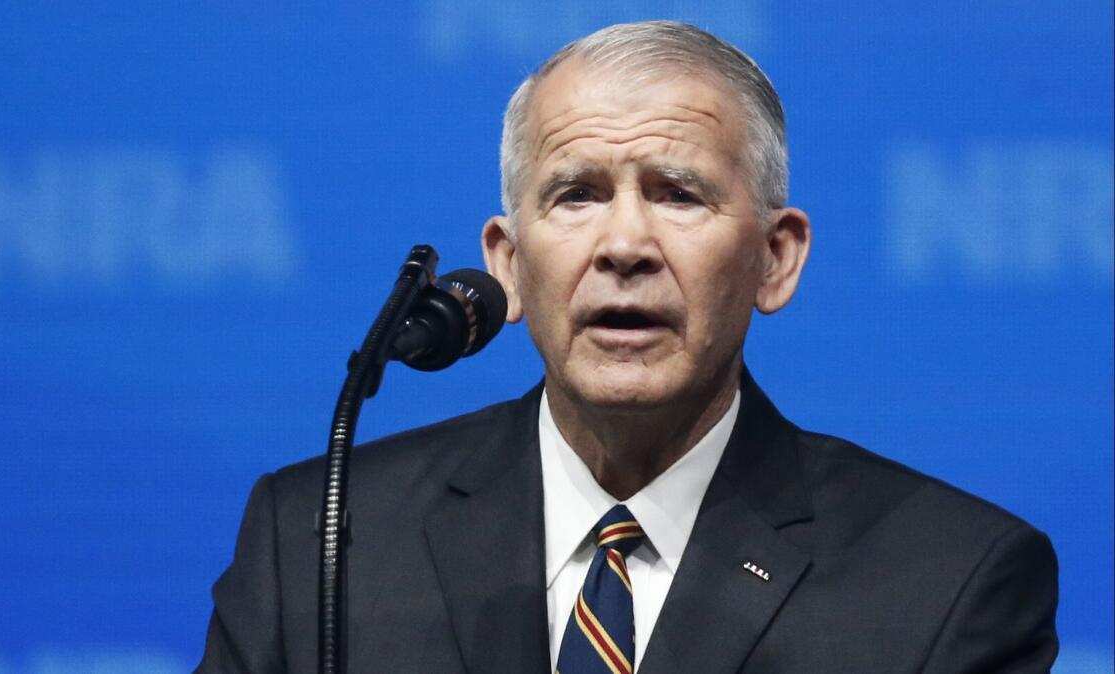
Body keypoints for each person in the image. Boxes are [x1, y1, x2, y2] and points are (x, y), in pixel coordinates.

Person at [198, 21, 1058, 673]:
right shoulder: (321, 541)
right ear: (509, 267)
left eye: (679, 194)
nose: (624, 245)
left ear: (776, 257)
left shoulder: (948, 581)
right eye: (576, 195)